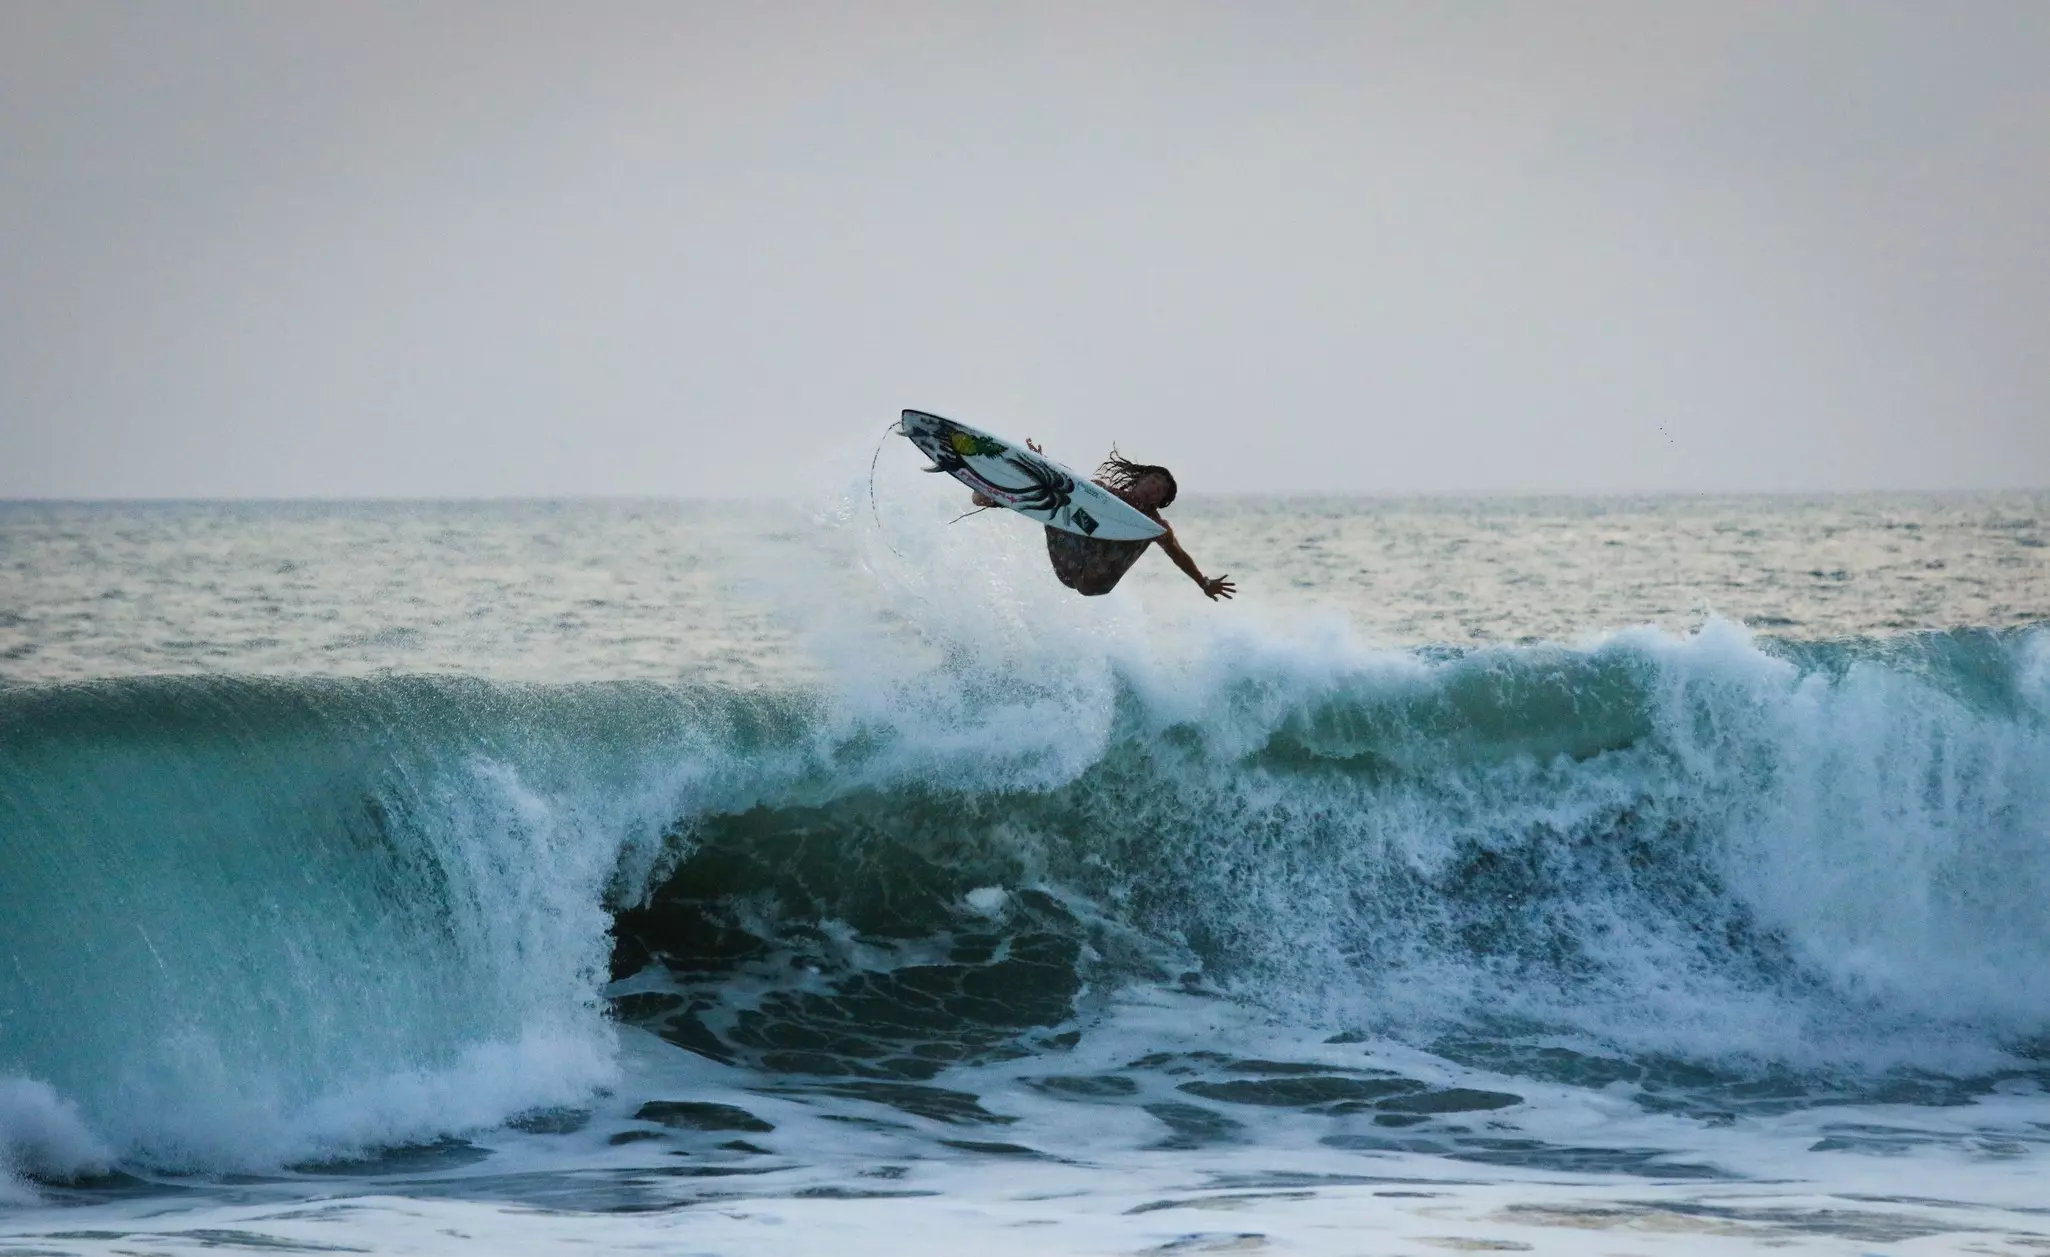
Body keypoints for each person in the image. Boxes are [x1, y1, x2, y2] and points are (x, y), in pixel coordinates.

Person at [974, 442, 1235, 600]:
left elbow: (1177, 554)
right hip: (1070, 566)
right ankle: (995, 496)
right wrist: (1047, 466)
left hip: (1098, 580)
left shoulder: (1157, 526)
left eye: (1159, 490)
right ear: (1139, 480)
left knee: (1144, 528)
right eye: (1152, 481)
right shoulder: (1104, 494)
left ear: (1161, 500)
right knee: (1072, 497)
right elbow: (1072, 487)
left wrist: (1203, 582)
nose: (1153, 489)